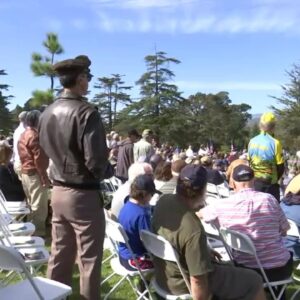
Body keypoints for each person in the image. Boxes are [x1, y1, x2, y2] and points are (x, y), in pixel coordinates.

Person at [39, 55, 111, 300]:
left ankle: (52, 296)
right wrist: (106, 171)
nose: (89, 82)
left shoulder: (46, 112)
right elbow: (96, 161)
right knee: (89, 260)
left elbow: (43, 152)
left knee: (59, 254)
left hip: (57, 191)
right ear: (80, 79)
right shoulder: (86, 112)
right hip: (83, 194)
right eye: (87, 77)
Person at [152, 164, 266, 300]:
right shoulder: (193, 229)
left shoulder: (164, 201)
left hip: (164, 276)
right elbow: (197, 280)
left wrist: (204, 251)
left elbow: (174, 238)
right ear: (203, 190)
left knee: (229, 267)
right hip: (184, 283)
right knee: (254, 279)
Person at [200, 165, 293, 284]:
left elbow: (198, 215)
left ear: (232, 182)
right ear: (253, 180)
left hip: (245, 269)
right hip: (279, 269)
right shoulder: (270, 199)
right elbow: (285, 230)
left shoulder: (222, 205)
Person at [18, 110, 50, 236]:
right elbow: (39, 158)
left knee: (32, 205)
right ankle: (37, 233)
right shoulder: (35, 135)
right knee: (39, 207)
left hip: (26, 172)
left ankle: (31, 230)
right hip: (34, 173)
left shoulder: (24, 134)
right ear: (38, 121)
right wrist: (43, 177)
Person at [118, 174, 156, 271]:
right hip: (135, 260)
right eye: (152, 194)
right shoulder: (142, 214)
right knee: (167, 263)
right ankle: (146, 282)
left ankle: (145, 281)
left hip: (123, 255)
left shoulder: (127, 204)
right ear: (144, 194)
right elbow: (149, 242)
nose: (152, 197)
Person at [248, 112, 284, 201]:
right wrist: (275, 179)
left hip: (255, 184)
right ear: (273, 126)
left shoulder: (251, 141)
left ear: (260, 125)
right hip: (271, 185)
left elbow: (249, 163)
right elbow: (280, 167)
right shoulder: (275, 143)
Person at [13, 111, 27, 179]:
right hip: (24, 163)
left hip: (17, 162)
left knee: (25, 187)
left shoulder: (16, 131)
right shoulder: (25, 130)